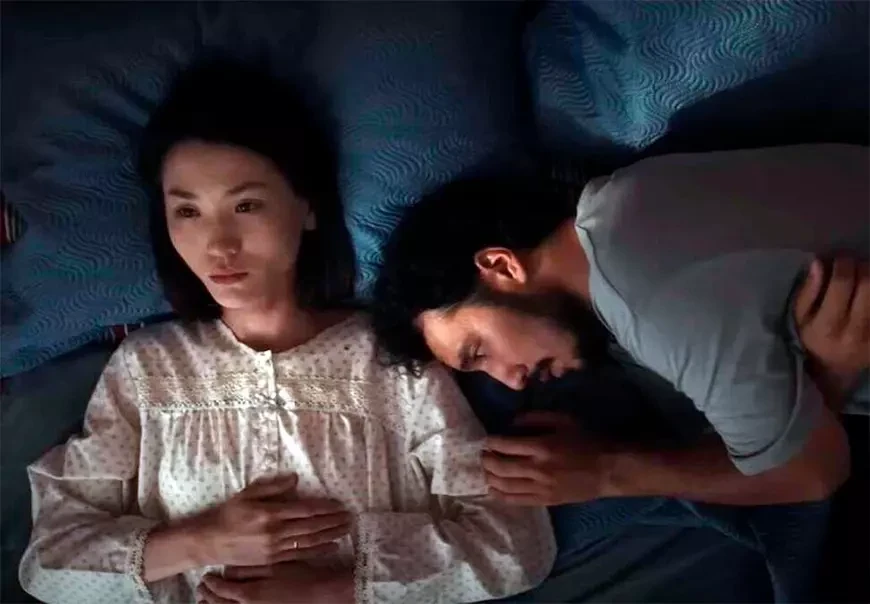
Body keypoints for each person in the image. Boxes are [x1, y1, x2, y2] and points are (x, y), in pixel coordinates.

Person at [18, 60, 555, 604]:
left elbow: (518, 544)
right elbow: (49, 565)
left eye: (246, 205)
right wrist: (203, 540)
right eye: (187, 212)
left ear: (307, 208)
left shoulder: (391, 364)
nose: (219, 245)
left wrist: (330, 589)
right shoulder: (147, 368)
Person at [370, 144, 869, 508]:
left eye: (478, 351)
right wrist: (825, 377)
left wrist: (604, 474)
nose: (511, 381)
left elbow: (812, 472)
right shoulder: (617, 203)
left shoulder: (647, 298)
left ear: (501, 266)